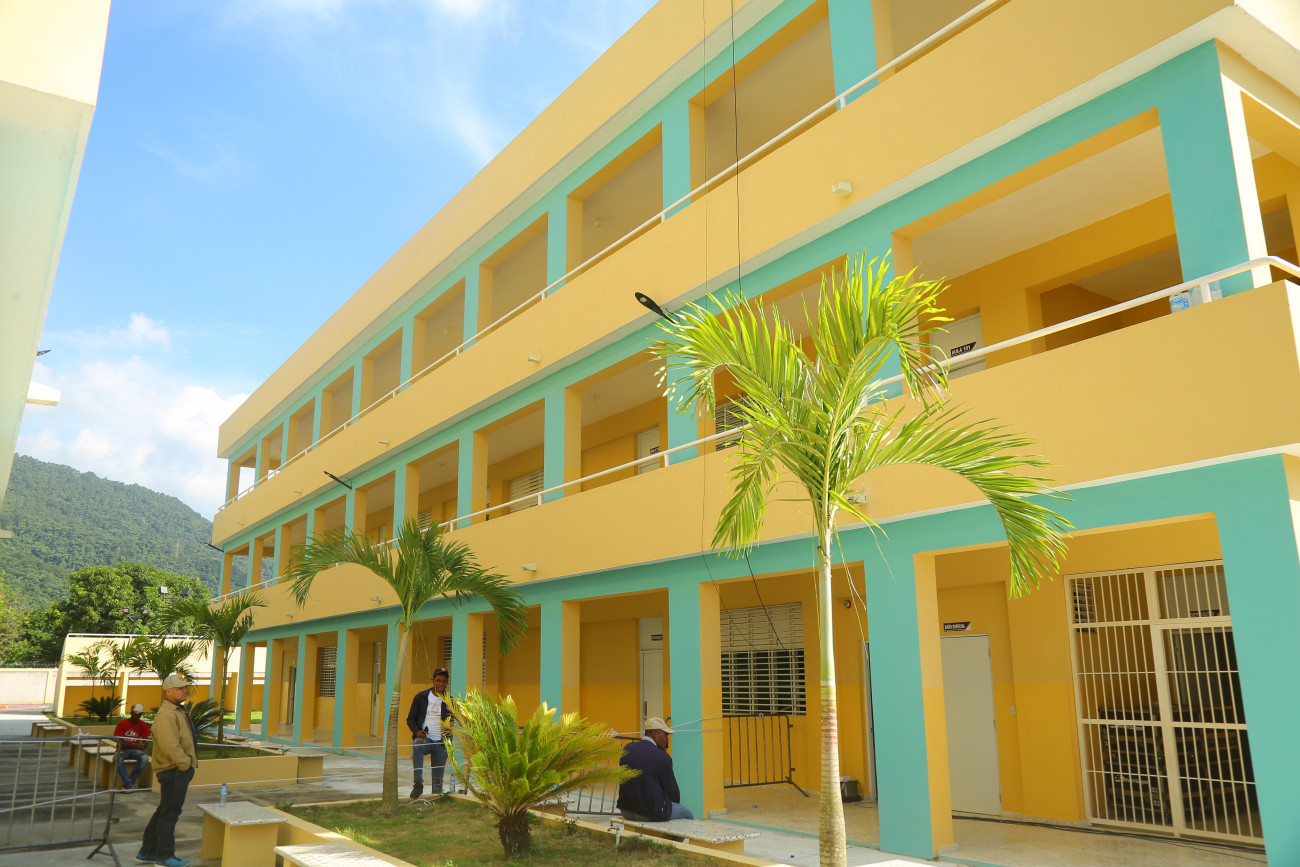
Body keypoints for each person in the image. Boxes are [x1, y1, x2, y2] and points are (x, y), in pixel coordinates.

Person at [137, 673, 198, 867]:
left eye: (185, 687)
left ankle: (147, 852)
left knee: (164, 811)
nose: (185, 691)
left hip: (176, 769)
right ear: (168, 691)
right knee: (169, 814)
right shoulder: (167, 714)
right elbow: (170, 744)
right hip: (174, 770)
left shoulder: (176, 711)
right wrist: (184, 764)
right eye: (180, 688)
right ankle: (164, 856)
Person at [617, 717, 694, 821]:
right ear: (655, 734)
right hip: (649, 813)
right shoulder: (662, 756)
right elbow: (673, 792)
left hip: (626, 810)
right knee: (688, 814)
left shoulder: (628, 748)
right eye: (665, 735)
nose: (667, 739)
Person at [405, 667, 454, 799]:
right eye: (438, 680)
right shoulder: (421, 697)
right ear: (433, 681)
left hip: (441, 743)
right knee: (417, 743)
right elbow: (410, 719)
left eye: (444, 681)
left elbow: (453, 722)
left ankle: (436, 799)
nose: (441, 684)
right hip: (425, 739)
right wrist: (417, 731)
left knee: (438, 779)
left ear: (447, 683)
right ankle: (418, 784)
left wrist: (449, 738)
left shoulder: (450, 701)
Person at [113, 703, 152, 789]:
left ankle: (128, 784)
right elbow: (119, 742)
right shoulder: (122, 723)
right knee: (117, 759)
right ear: (131, 713)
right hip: (122, 750)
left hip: (135, 751)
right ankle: (129, 784)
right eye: (135, 713)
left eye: (139, 714)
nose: (137, 716)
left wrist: (144, 745)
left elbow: (145, 740)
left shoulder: (143, 724)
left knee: (145, 758)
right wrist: (136, 746)